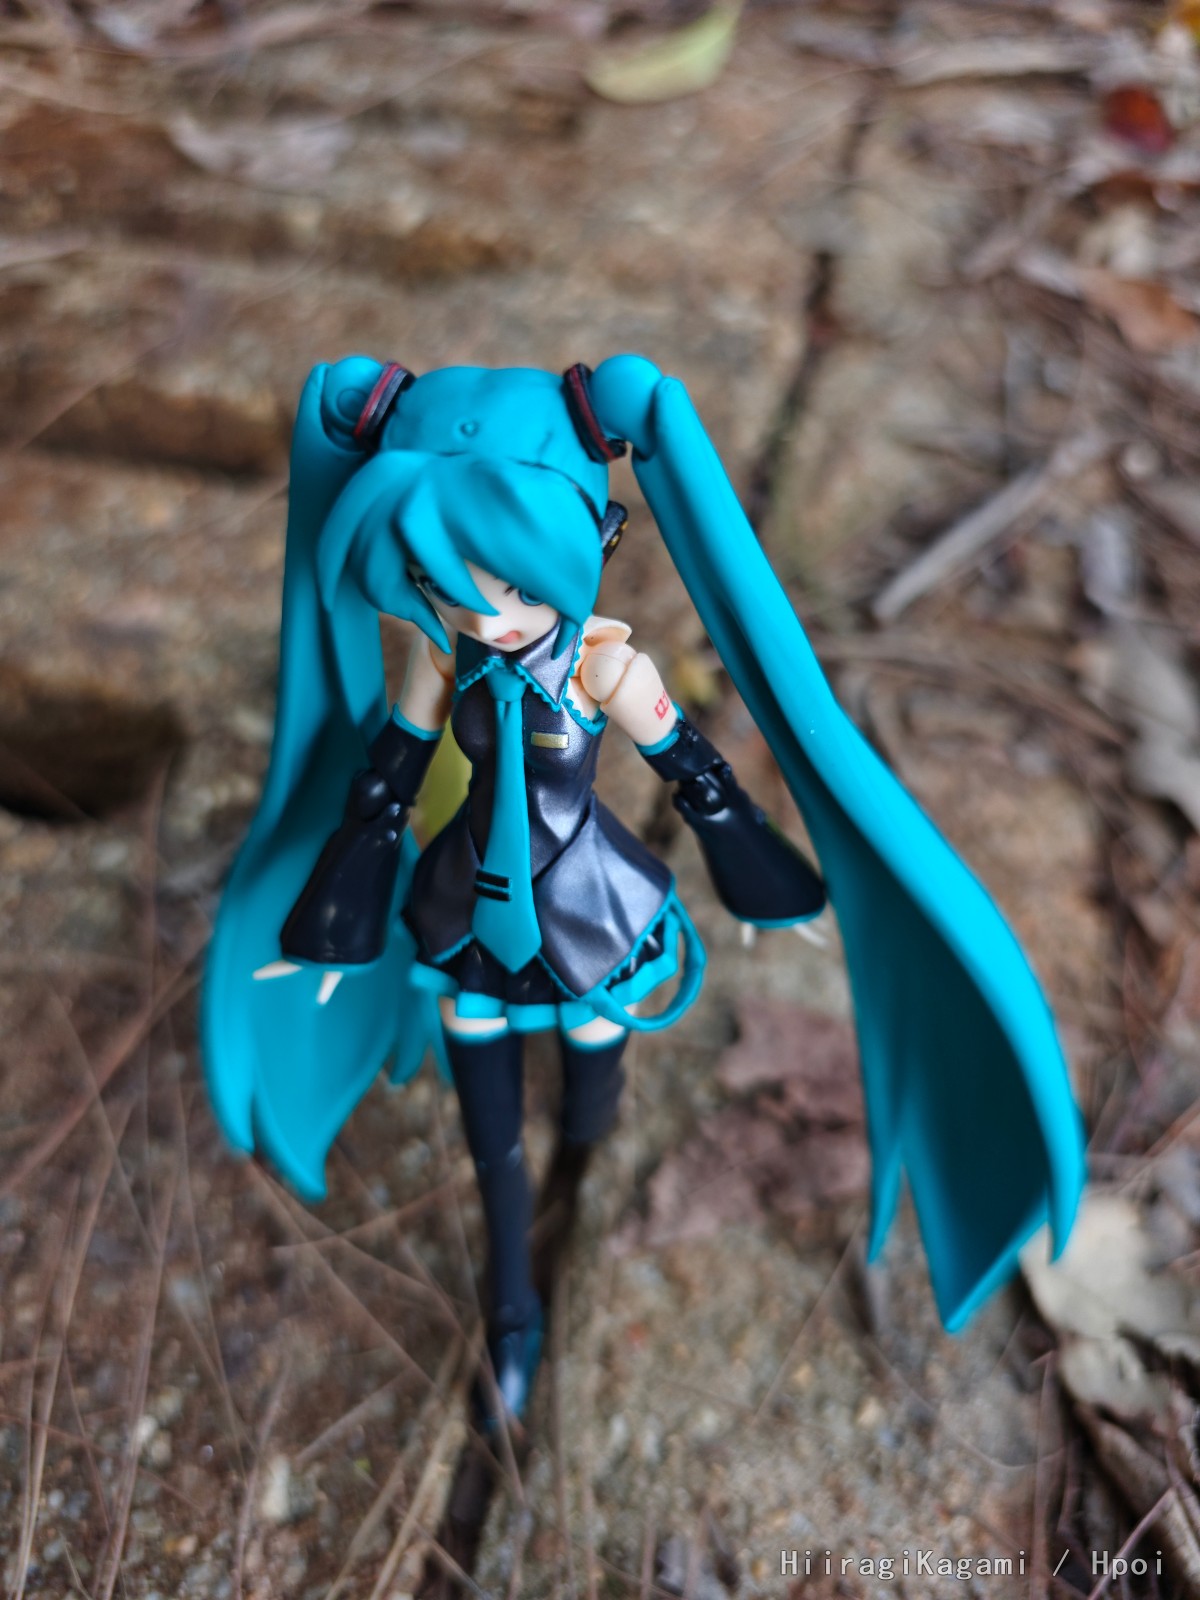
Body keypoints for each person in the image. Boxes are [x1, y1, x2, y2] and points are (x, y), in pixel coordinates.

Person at [202, 355, 1085, 1427]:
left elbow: (697, 776)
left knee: (593, 1077)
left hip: (592, 913)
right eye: (445, 592)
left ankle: (588, 1143)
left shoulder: (603, 669)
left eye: (514, 587)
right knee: (490, 1132)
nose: (487, 619)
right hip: (465, 914)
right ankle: (512, 1306)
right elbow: (383, 789)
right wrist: (333, 926)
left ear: (594, 540)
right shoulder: (442, 667)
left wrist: (770, 885)